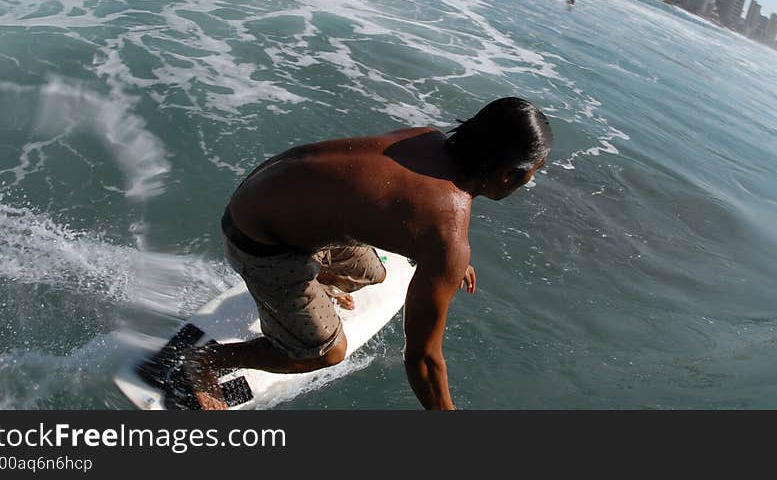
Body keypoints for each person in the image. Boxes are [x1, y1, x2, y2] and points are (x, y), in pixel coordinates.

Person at [182, 97, 553, 410]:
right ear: (507, 175)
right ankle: (208, 361)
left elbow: (395, 207)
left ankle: (316, 278)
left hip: (259, 196)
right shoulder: (446, 235)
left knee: (371, 273)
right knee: (326, 353)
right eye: (531, 173)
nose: (531, 182)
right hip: (257, 244)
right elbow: (422, 359)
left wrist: (445, 258)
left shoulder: (427, 139)